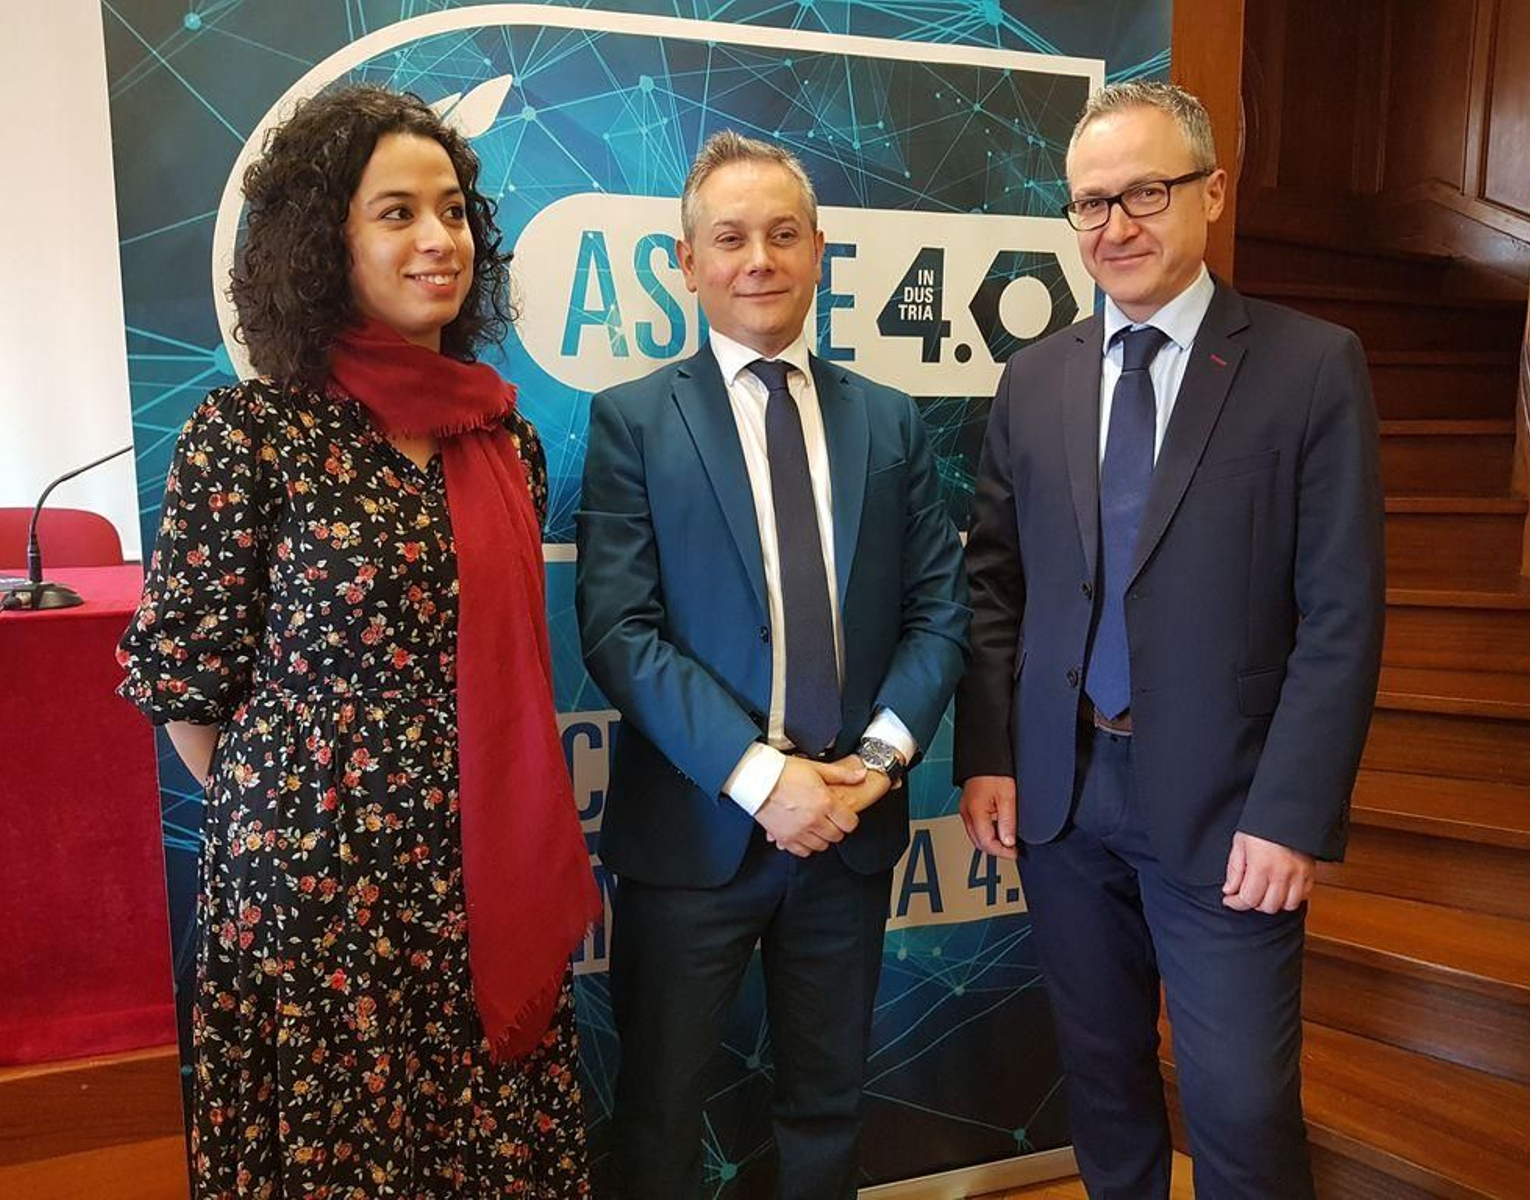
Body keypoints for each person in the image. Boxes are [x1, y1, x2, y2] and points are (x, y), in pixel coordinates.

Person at [117, 84, 597, 1197]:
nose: (440, 240)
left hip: (482, 887)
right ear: (322, 241)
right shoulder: (250, 434)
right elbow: (188, 689)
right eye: (395, 213)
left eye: (452, 211)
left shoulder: (500, 437)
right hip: (314, 921)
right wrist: (299, 814)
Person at [955, 81, 1384, 1199]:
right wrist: (990, 753)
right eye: (1089, 205)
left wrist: (1292, 814)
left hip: (1230, 810)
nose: (1115, 227)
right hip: (1061, 795)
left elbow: (1340, 613)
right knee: (1100, 1077)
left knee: (1239, 1105)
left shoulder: (1309, 366)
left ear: (1210, 192)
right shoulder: (1033, 375)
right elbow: (995, 586)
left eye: (1144, 192)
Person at [575, 131, 970, 1198]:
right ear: (686, 260)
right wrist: (764, 779)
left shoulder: (889, 423)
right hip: (693, 840)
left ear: (819, 251)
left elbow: (940, 608)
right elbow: (619, 631)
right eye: (731, 237)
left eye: (783, 234)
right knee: (658, 1109)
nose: (760, 259)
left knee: (826, 1104)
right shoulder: (631, 423)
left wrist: (876, 765)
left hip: (846, 831)